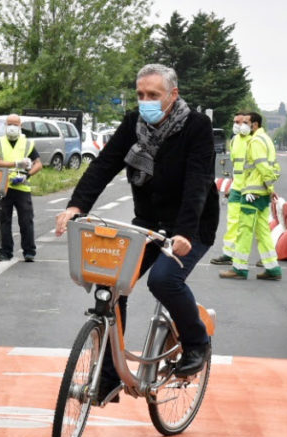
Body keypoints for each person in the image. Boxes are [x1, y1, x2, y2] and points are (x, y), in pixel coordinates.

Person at [55, 63, 218, 402]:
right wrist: (76, 206)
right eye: (141, 94)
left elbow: (198, 183)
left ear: (172, 96)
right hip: (148, 222)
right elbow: (104, 164)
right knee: (112, 284)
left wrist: (185, 232)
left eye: (153, 95)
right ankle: (110, 377)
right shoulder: (134, 124)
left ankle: (196, 343)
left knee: (164, 280)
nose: (146, 101)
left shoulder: (197, 127)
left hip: (192, 224)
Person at [219, 111, 282, 280]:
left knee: (244, 230)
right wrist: (269, 188)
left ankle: (239, 268)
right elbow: (274, 167)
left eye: (246, 122)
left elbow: (263, 167)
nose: (242, 125)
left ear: (255, 124)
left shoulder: (255, 141)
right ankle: (272, 268)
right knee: (262, 231)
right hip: (260, 193)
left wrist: (270, 187)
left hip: (251, 193)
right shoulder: (266, 139)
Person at [0, 114, 41, 262]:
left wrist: (28, 175)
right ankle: (6, 251)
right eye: (9, 124)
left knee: (26, 220)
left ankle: (29, 251)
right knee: (4, 220)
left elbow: (38, 164)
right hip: (4, 186)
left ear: (20, 126)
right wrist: (16, 163)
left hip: (22, 187)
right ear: (5, 125)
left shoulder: (27, 144)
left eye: (15, 124)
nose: (12, 127)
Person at [209, 111, 250, 265]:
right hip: (237, 187)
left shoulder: (253, 141)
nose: (237, 125)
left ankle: (250, 260)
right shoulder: (234, 141)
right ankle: (229, 254)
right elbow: (235, 167)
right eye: (235, 122)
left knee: (248, 225)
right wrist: (230, 185)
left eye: (240, 122)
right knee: (232, 222)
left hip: (250, 189)